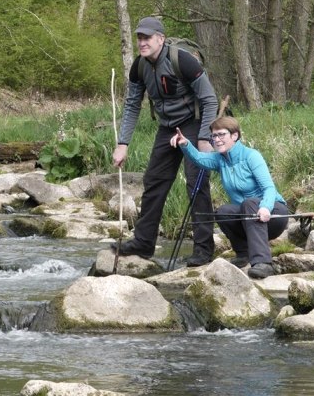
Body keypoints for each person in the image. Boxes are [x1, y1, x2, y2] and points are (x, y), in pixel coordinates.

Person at [111, 16, 218, 266]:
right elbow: (131, 105)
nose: (142, 42)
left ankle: (203, 250)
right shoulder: (139, 66)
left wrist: (204, 139)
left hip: (192, 125)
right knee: (153, 182)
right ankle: (143, 243)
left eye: (147, 37)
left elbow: (210, 99)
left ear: (160, 38)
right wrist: (123, 143)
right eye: (139, 37)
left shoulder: (184, 61)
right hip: (166, 128)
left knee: (196, 184)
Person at [170, 115, 289, 279]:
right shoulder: (220, 160)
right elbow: (199, 158)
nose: (217, 139)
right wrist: (185, 144)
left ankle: (263, 263)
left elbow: (269, 188)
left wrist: (265, 207)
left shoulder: (251, 156)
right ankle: (243, 253)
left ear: (235, 136)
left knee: (250, 203)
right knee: (223, 211)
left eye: (221, 135)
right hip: (247, 217)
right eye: (214, 135)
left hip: (273, 214)